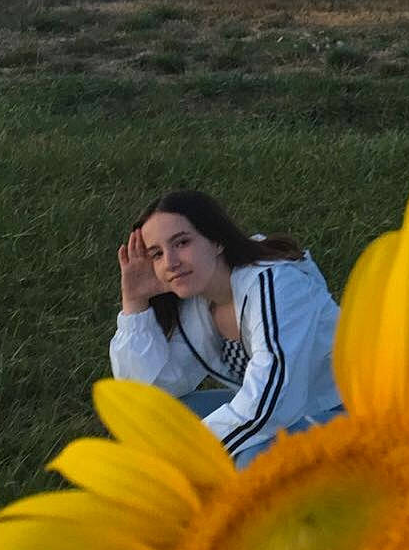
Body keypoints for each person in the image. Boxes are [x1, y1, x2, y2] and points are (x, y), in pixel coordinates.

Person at [110, 189, 344, 469]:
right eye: (157, 254)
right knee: (155, 424)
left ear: (217, 241)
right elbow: (146, 394)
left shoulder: (277, 284)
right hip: (285, 415)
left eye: (182, 242)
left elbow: (271, 402)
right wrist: (135, 302)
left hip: (342, 412)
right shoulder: (199, 300)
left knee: (254, 464)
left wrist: (192, 454)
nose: (170, 262)